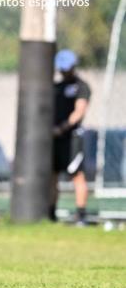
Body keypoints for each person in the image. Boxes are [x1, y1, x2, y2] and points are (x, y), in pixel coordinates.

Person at [50, 49, 91, 225]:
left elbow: (79, 112)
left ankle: (80, 215)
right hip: (54, 138)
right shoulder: (56, 87)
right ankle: (50, 214)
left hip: (72, 137)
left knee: (76, 173)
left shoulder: (81, 87)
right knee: (52, 174)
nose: (65, 71)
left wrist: (62, 128)